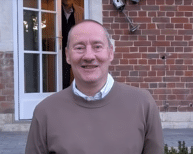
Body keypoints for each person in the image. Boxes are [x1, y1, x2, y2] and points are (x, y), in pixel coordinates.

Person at [25, 20, 164, 154]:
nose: (89, 56)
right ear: (67, 55)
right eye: (79, 47)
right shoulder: (45, 112)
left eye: (97, 46)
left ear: (110, 52)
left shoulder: (143, 104)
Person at [62, 0, 84, 89]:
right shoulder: (54, 10)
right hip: (59, 47)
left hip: (75, 45)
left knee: (77, 68)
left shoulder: (80, 11)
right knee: (63, 69)